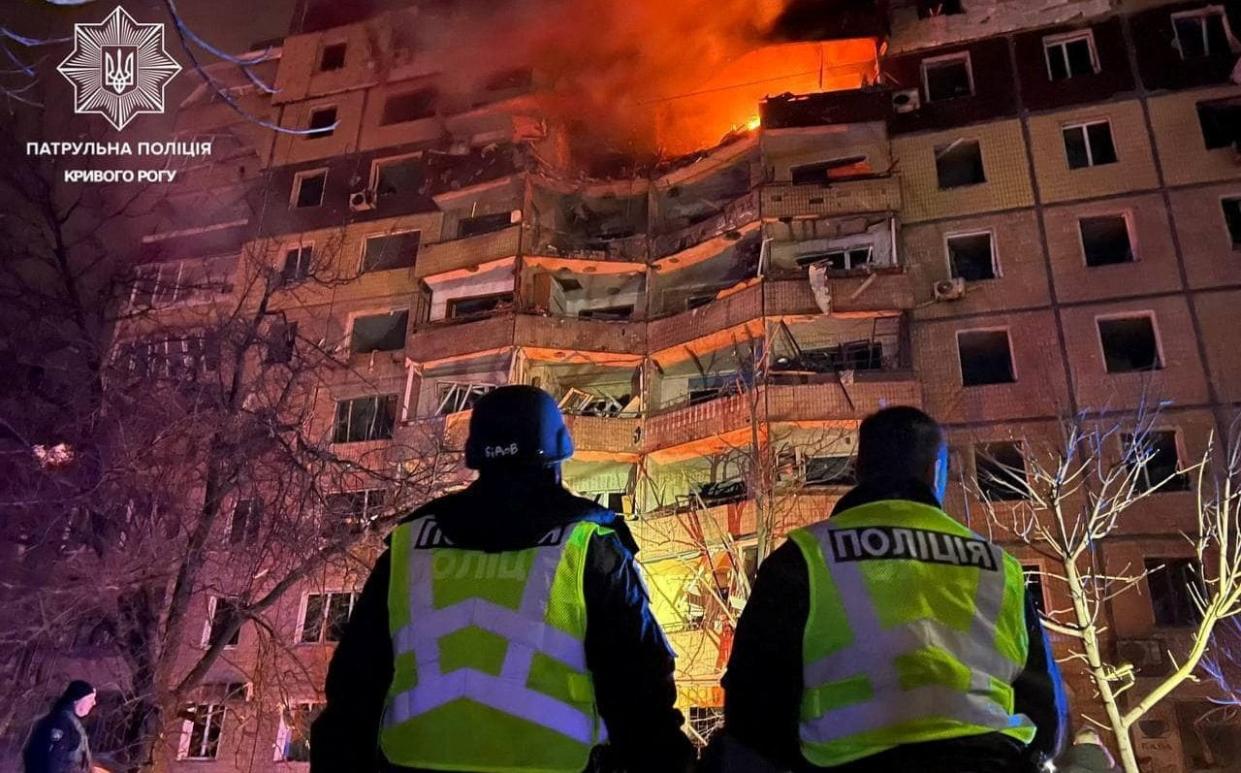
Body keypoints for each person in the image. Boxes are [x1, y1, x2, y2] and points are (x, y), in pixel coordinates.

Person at [312, 385, 694, 773]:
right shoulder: (589, 544)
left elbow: (353, 691)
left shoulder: (411, 545)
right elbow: (640, 694)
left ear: (476, 453)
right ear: (559, 451)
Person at [705, 406, 1067, 773]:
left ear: (859, 470)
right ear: (935, 471)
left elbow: (754, 712)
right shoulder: (998, 565)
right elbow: (1044, 714)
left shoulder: (804, 556)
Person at [23, 680, 96, 773]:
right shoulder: (61, 723)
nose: (93, 703)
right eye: (90, 699)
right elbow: (53, 760)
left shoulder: (66, 722)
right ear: (78, 699)